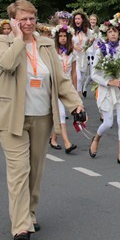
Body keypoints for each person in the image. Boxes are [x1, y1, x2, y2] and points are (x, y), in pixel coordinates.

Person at [0, 0, 85, 240]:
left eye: (32, 18)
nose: (29, 23)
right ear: (13, 20)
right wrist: (18, 37)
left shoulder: (45, 44)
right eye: (23, 19)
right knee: (19, 170)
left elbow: (61, 80)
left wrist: (76, 105)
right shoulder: (2, 42)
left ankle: (30, 213)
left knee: (35, 170)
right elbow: (8, 64)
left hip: (42, 116)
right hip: (12, 117)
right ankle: (20, 226)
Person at [89, 19, 120, 166]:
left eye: (115, 31)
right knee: (108, 123)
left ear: (119, 33)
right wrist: (108, 82)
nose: (113, 34)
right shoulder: (100, 51)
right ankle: (96, 138)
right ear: (106, 33)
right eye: (110, 31)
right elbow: (94, 74)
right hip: (107, 90)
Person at [49, 24, 78, 153]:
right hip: (54, 85)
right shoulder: (52, 52)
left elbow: (74, 73)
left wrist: (75, 91)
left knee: (60, 114)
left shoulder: (72, 53)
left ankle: (53, 139)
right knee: (60, 113)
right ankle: (67, 143)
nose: (62, 38)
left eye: (64, 36)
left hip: (65, 86)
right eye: (60, 36)